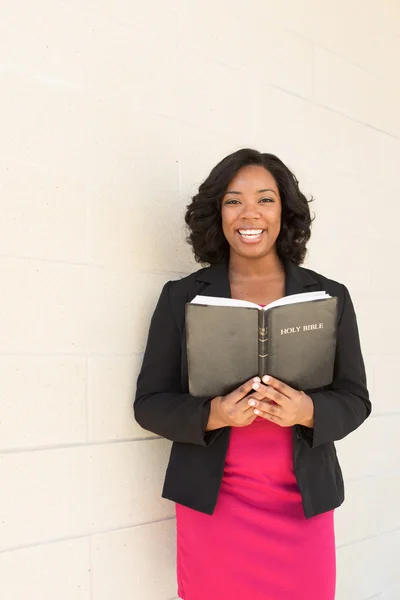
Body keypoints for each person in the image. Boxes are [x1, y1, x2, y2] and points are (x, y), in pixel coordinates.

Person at [134, 148, 371, 600]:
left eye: (265, 200)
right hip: (215, 504)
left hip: (303, 505)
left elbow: (356, 399)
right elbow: (150, 404)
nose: (250, 214)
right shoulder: (181, 297)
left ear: (285, 212)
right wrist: (215, 414)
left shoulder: (328, 295)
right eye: (233, 200)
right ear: (216, 213)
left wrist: (308, 410)